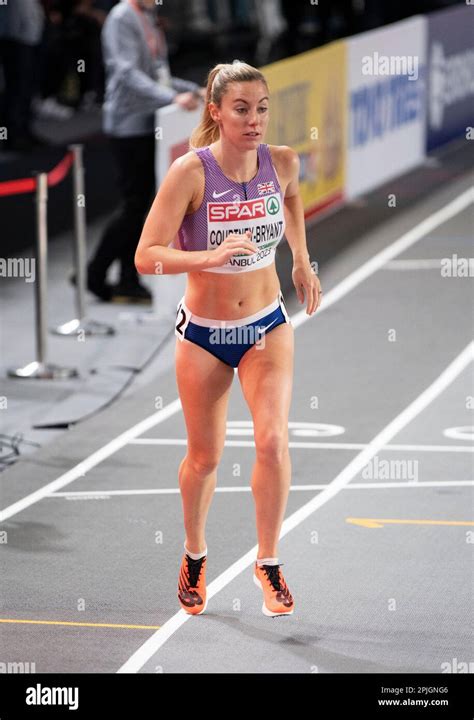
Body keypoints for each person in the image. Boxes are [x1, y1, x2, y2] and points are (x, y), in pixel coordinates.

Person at [134, 60, 322, 616]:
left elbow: (290, 199)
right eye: (241, 109)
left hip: (266, 324)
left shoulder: (281, 162)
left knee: (272, 441)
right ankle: (194, 553)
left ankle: (268, 563)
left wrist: (301, 259)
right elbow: (146, 255)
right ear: (215, 112)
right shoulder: (190, 174)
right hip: (204, 335)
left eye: (262, 108)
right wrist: (207, 256)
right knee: (205, 458)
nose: (255, 120)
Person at [81, 0, 204, 304]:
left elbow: (156, 74)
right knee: (134, 204)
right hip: (128, 124)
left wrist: (190, 90)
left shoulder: (147, 17)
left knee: (140, 205)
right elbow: (126, 73)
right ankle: (95, 273)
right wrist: (171, 97)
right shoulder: (122, 18)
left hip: (149, 121)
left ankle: (126, 278)